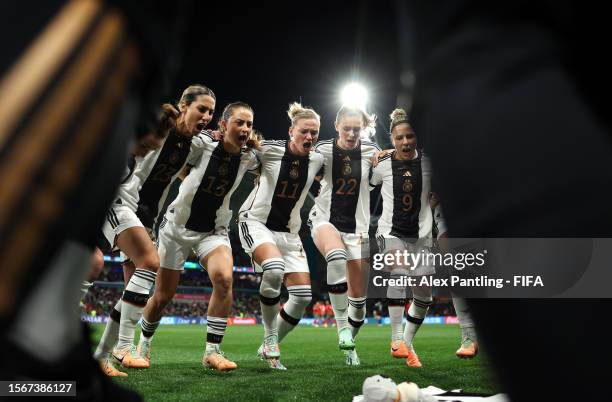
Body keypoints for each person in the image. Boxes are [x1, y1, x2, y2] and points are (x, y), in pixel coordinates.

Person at [94, 85, 216, 376]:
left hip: (145, 216)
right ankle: (123, 347)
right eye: (202, 108)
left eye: (211, 112)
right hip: (122, 201)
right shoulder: (157, 128)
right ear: (183, 105)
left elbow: (199, 163)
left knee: (132, 291)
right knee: (149, 264)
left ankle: (101, 357)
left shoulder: (196, 144)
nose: (207, 116)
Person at [138, 101, 259, 371]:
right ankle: (143, 344)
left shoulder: (250, 157)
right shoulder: (202, 144)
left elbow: (277, 162)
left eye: (249, 124)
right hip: (177, 229)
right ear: (224, 124)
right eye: (239, 122)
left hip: (213, 231)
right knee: (162, 296)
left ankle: (212, 351)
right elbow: (175, 151)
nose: (245, 129)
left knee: (224, 279)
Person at [238, 102, 323, 370]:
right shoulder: (269, 150)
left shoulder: (318, 159)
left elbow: (347, 157)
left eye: (314, 133)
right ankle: (270, 339)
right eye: (304, 132)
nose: (309, 137)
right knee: (273, 269)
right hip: (256, 223)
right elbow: (238, 157)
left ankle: (267, 347)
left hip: (290, 233)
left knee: (302, 298)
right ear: (291, 131)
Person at [308, 105, 380, 365]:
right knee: (335, 256)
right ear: (336, 125)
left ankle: (351, 348)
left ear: (364, 129)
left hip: (358, 231)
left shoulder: (373, 152)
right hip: (325, 220)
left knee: (359, 306)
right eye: (347, 128)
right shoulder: (323, 150)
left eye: (357, 129)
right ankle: (342, 329)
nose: (351, 133)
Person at [370, 108, 434, 368]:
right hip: (390, 232)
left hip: (422, 236)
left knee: (424, 297)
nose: (405, 142)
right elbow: (369, 180)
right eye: (399, 138)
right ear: (392, 139)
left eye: (410, 136)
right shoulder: (383, 165)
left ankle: (407, 343)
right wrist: (375, 155)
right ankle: (396, 338)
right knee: (399, 272)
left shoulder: (430, 163)